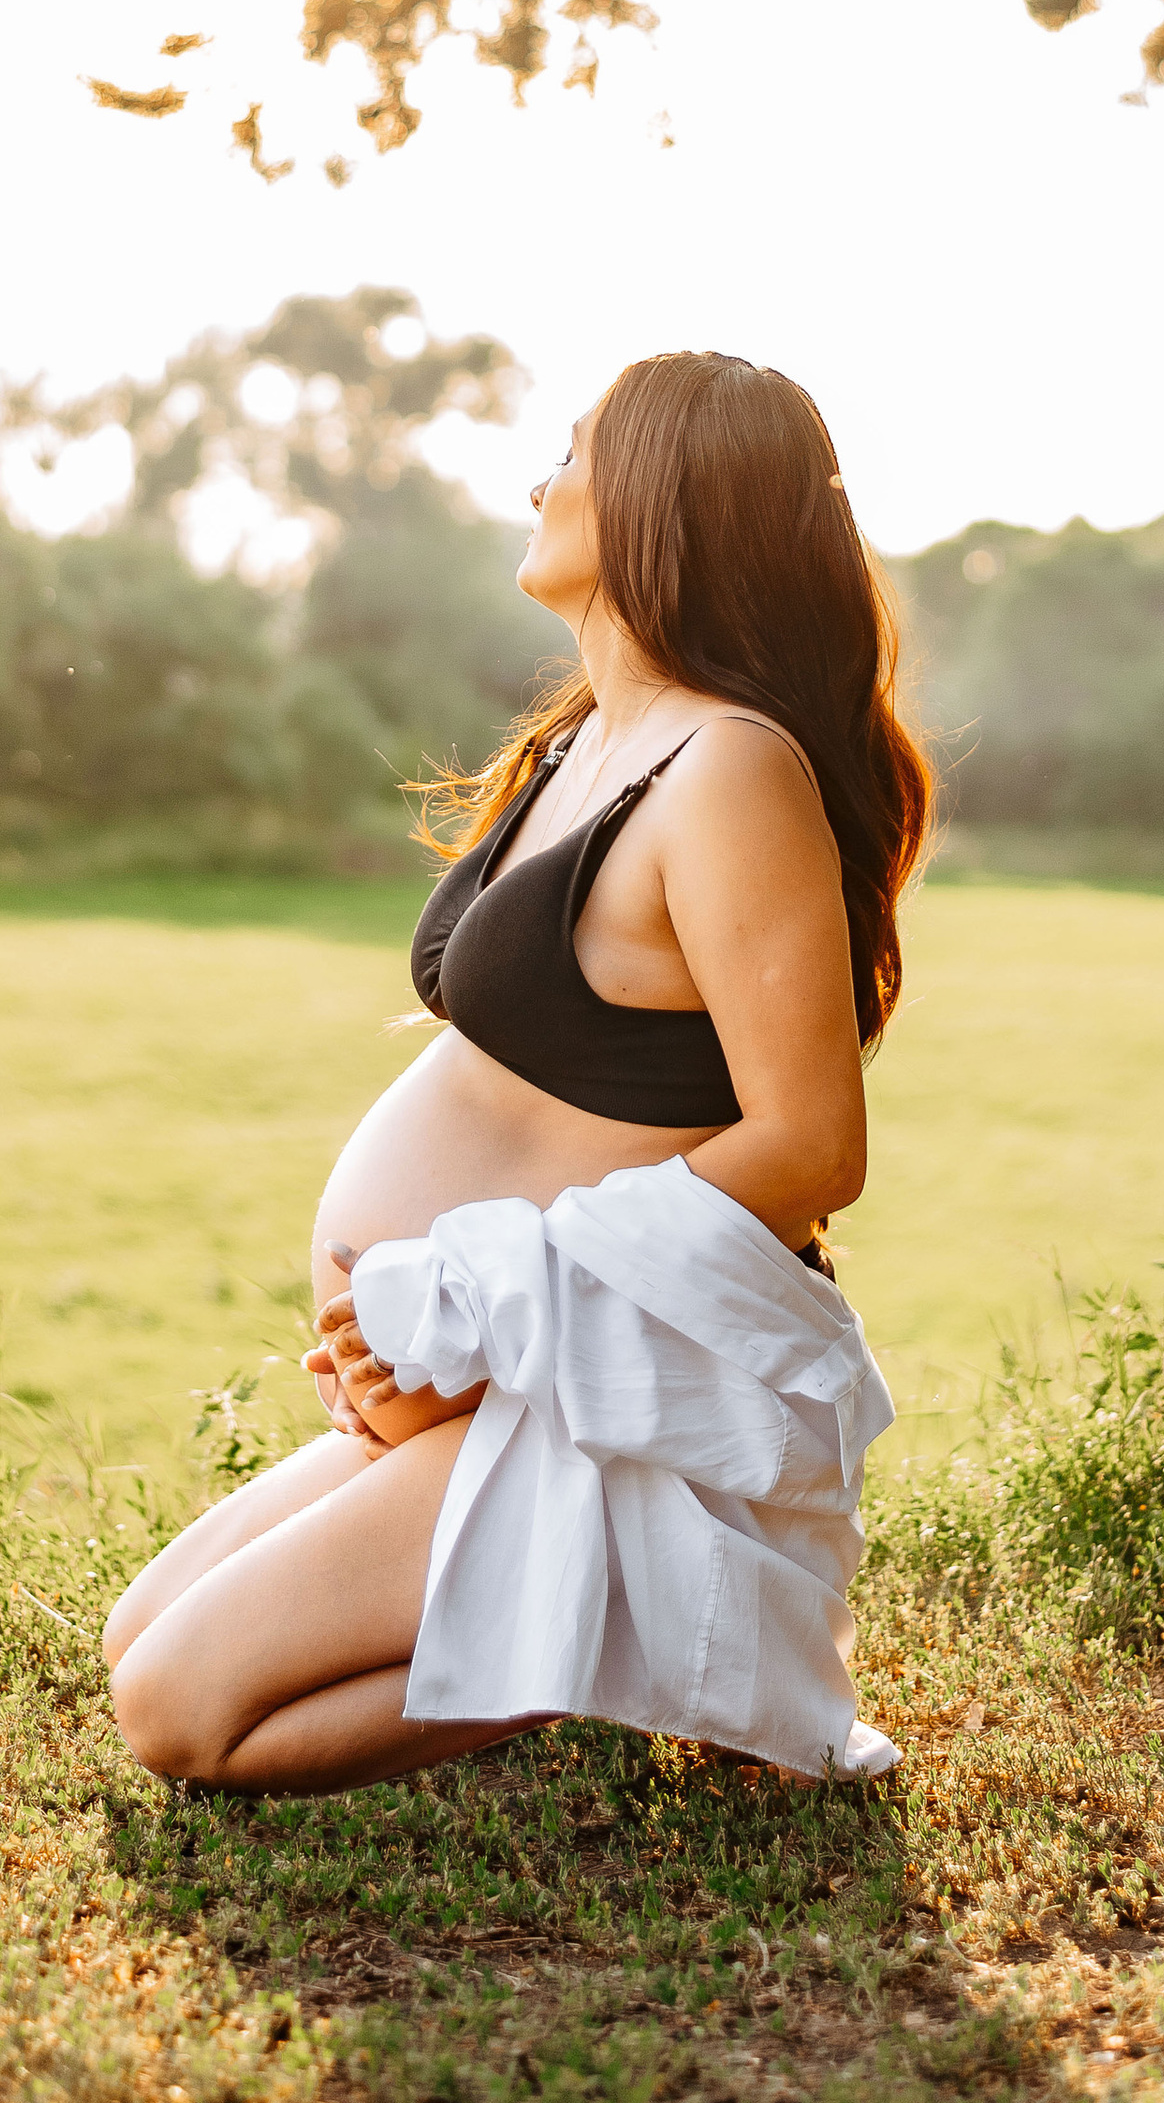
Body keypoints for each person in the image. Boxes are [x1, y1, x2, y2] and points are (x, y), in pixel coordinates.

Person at [101, 347, 929, 1794]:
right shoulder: (583, 744)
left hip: (584, 1409)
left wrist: (479, 1303)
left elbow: (811, 1144)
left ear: (666, 500)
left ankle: (615, 1640)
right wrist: (413, 1335)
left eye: (573, 447)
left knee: (182, 1711)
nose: (538, 477)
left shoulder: (732, 769)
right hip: (479, 1387)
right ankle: (573, 1623)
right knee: (135, 1634)